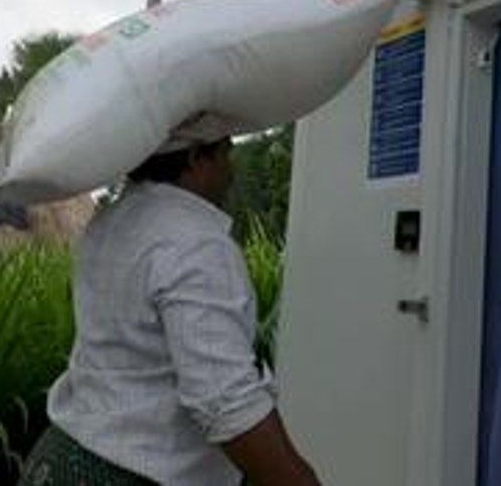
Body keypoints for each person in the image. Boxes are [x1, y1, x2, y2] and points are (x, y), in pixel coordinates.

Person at [20, 137, 321, 486]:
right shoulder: (194, 242)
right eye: (225, 153)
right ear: (195, 157)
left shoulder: (110, 221)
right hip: (131, 472)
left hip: (62, 459)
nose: (232, 170)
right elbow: (226, 402)